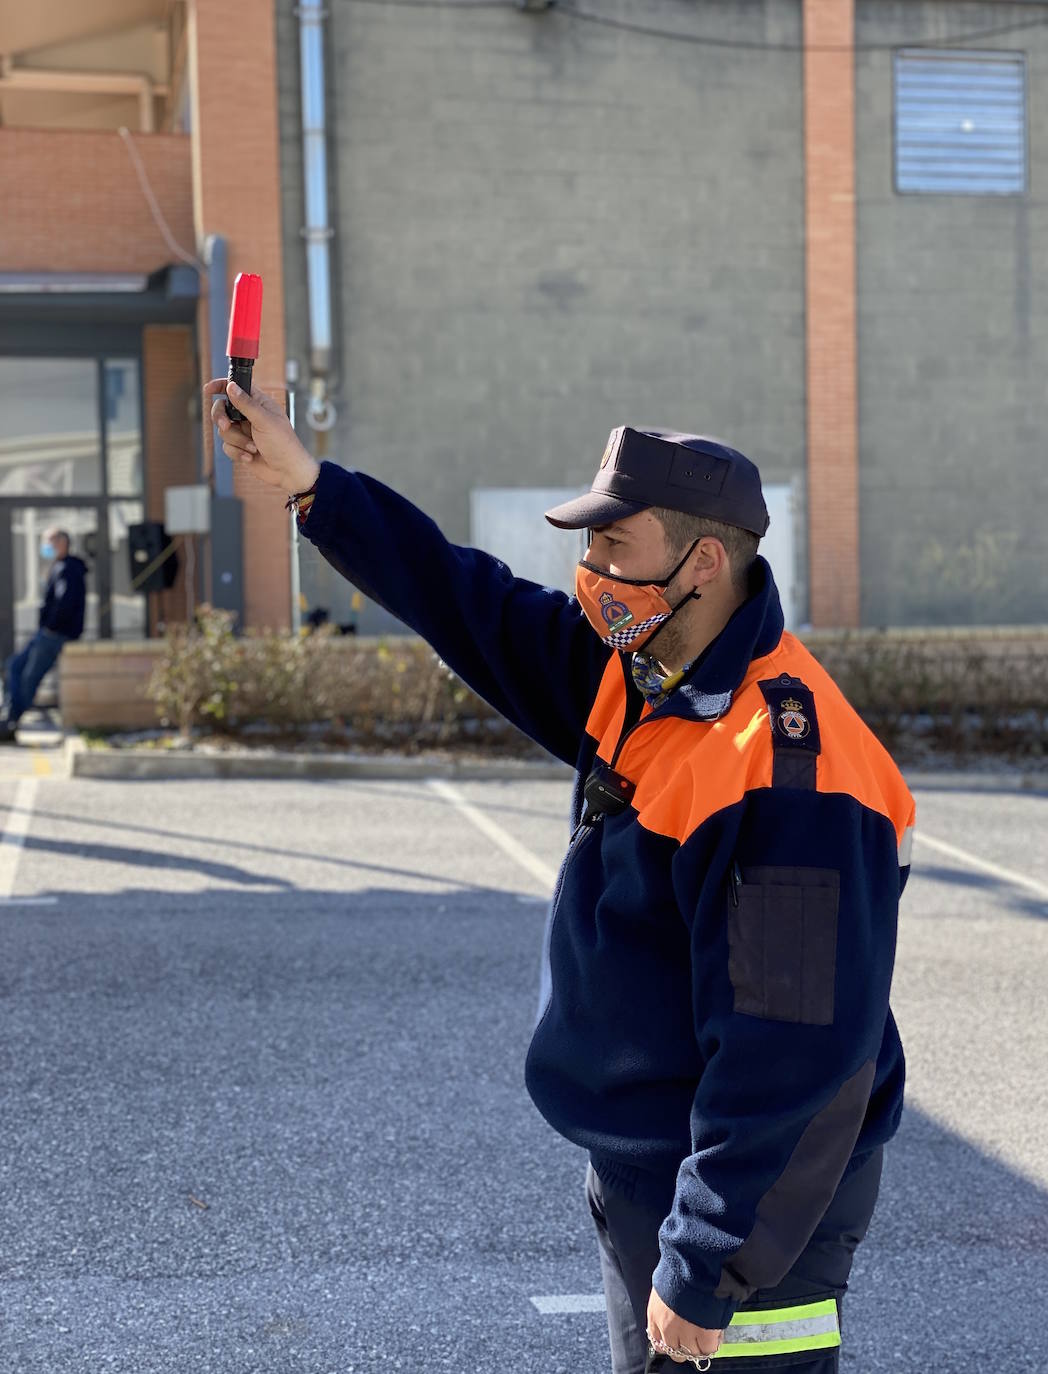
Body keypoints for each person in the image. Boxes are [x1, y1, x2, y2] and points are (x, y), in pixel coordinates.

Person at [204, 376, 916, 1374]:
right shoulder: (641, 678)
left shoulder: (783, 766)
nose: (588, 570)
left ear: (702, 562)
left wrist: (707, 1259)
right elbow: (468, 602)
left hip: (752, 1208)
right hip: (650, 1170)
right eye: (587, 545)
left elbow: (790, 1048)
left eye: (613, 547)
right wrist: (311, 486)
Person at [0, 528, 87, 744]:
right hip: (47, 632)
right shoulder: (58, 567)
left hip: (56, 634)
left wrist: (51, 626)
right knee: (14, 666)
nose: (45, 546)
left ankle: (11, 721)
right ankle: (8, 716)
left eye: (48, 541)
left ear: (61, 543)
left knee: (29, 676)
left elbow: (64, 603)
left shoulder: (68, 569)